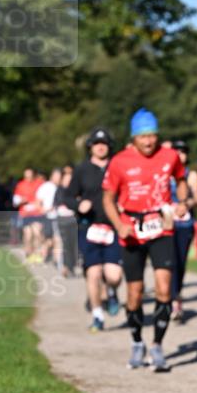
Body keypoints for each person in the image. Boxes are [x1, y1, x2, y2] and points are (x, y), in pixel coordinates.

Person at [103, 109, 189, 371]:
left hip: (161, 225)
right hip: (131, 228)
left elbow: (181, 180)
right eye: (143, 137)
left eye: (152, 135)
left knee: (164, 289)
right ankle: (137, 342)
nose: (149, 141)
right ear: (134, 138)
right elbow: (107, 198)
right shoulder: (119, 161)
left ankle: (157, 346)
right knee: (135, 292)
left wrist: (182, 202)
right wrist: (119, 225)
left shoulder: (170, 155)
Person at [64, 128, 123, 332]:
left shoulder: (117, 167)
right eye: (97, 143)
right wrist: (78, 205)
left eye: (104, 143)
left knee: (114, 276)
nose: (100, 146)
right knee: (93, 273)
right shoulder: (82, 170)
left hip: (113, 227)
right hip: (88, 228)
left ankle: (112, 292)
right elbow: (68, 196)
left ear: (109, 146)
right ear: (90, 147)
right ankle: (97, 315)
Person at [169, 139, 197, 322]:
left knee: (180, 262)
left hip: (184, 224)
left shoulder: (192, 175)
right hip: (167, 224)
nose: (180, 154)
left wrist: (185, 204)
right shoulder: (166, 172)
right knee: (169, 262)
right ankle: (171, 299)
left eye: (183, 151)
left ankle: (177, 294)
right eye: (177, 151)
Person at [12, 167, 44, 262]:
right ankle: (28, 253)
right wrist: (22, 200)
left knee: (37, 233)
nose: (28, 176)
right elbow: (15, 201)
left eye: (29, 174)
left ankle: (37, 254)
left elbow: (44, 197)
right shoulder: (20, 185)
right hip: (25, 213)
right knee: (28, 235)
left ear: (33, 174)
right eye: (26, 175)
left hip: (36, 212)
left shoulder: (39, 184)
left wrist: (39, 203)